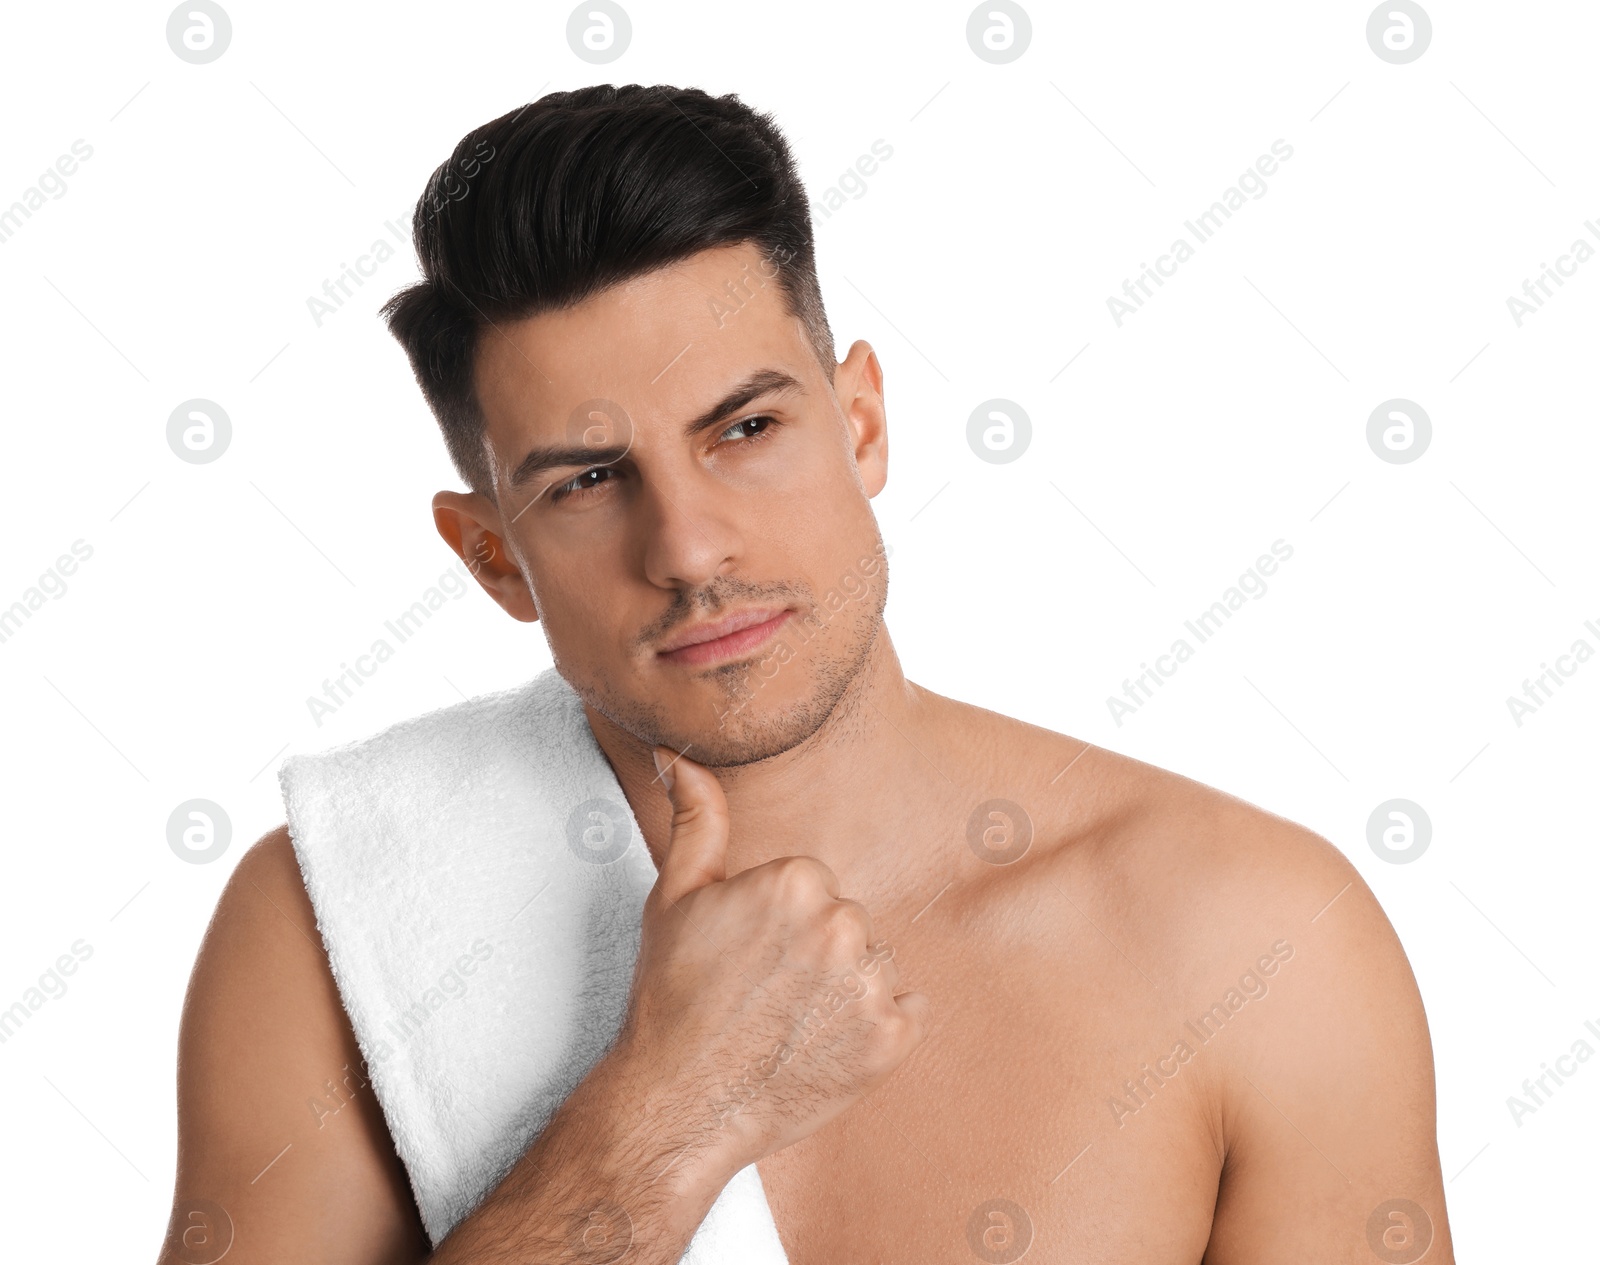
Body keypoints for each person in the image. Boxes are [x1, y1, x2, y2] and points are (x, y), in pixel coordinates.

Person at [161, 84, 1453, 1264]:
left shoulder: (1259, 945)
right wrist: (663, 1117)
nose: (689, 546)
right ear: (495, 556)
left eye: (745, 428)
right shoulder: (331, 924)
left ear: (863, 424)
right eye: (589, 480)